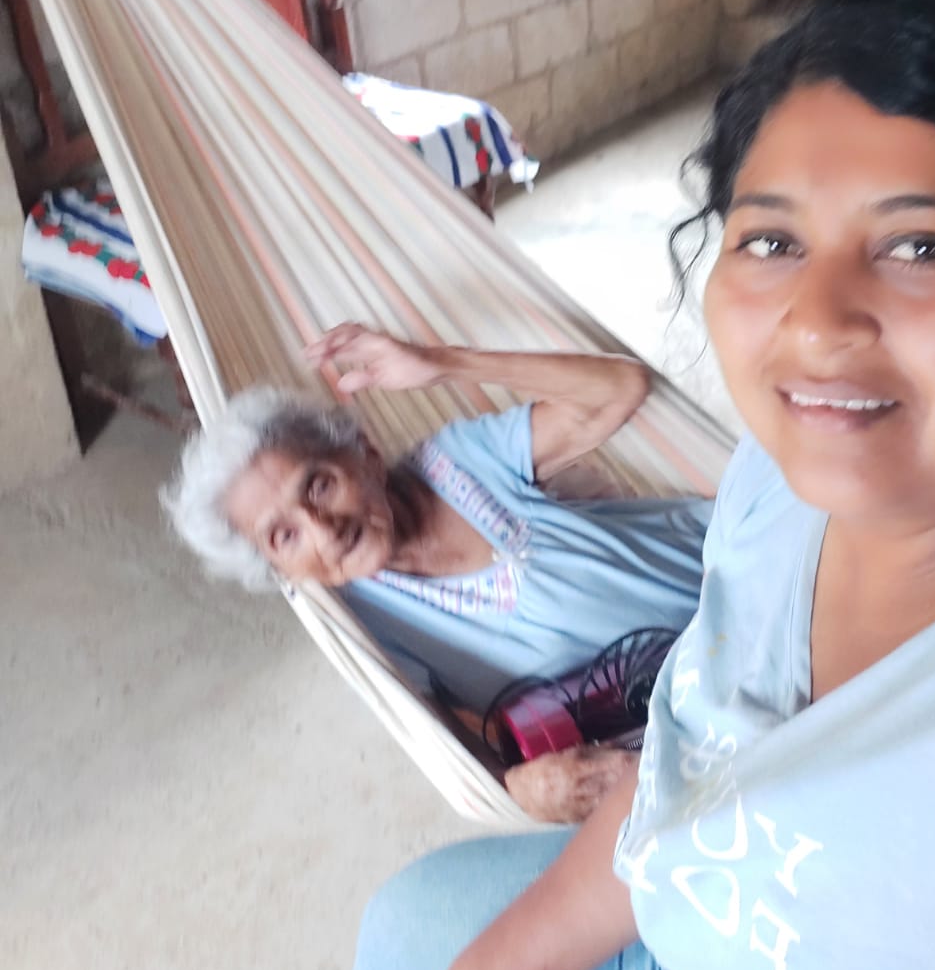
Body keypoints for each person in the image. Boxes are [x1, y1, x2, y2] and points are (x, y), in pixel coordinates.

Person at [347, 0, 935, 970]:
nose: (815, 325)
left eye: (923, 246)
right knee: (413, 938)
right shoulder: (791, 476)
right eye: (771, 242)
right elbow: (694, 784)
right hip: (702, 964)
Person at [163, 332, 712, 822]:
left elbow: (622, 387)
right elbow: (458, 754)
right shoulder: (367, 627)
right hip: (691, 712)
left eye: (319, 486)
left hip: (737, 576)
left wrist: (447, 362)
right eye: (284, 536)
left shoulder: (459, 462)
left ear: (365, 457)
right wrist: (519, 788)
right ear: (281, 570)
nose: (324, 530)